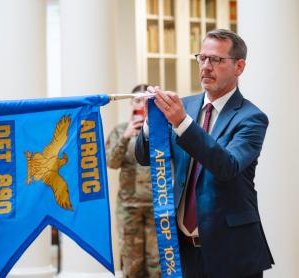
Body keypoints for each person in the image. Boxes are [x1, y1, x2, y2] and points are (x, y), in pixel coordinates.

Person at [135, 29, 274, 277]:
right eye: (202, 58)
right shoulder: (184, 106)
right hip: (182, 250)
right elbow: (145, 158)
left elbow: (227, 166)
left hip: (232, 251)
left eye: (217, 60)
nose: (206, 67)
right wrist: (150, 123)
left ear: (239, 66)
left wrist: (182, 124)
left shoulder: (251, 118)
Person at [105, 84, 161, 278]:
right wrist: (126, 137)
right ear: (131, 103)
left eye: (147, 101)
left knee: (158, 264)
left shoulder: (161, 130)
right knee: (132, 263)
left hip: (158, 205)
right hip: (129, 207)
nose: (141, 104)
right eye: (138, 100)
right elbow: (111, 163)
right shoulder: (120, 130)